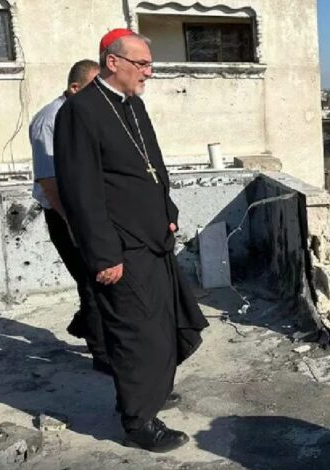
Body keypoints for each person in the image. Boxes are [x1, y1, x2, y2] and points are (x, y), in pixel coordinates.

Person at [54, 29, 209, 452]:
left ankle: (148, 395)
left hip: (153, 240)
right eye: (142, 64)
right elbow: (80, 192)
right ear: (113, 62)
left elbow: (152, 166)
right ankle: (138, 422)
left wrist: (168, 213)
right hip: (120, 249)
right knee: (137, 334)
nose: (149, 72)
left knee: (161, 326)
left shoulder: (133, 105)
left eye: (149, 64)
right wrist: (104, 255)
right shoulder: (80, 111)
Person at [29, 60, 110, 374]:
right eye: (93, 88)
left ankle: (85, 325)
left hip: (90, 210)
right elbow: (49, 181)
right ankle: (104, 355)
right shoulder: (49, 120)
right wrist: (72, 221)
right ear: (74, 88)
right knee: (92, 281)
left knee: (101, 277)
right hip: (65, 214)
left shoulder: (86, 115)